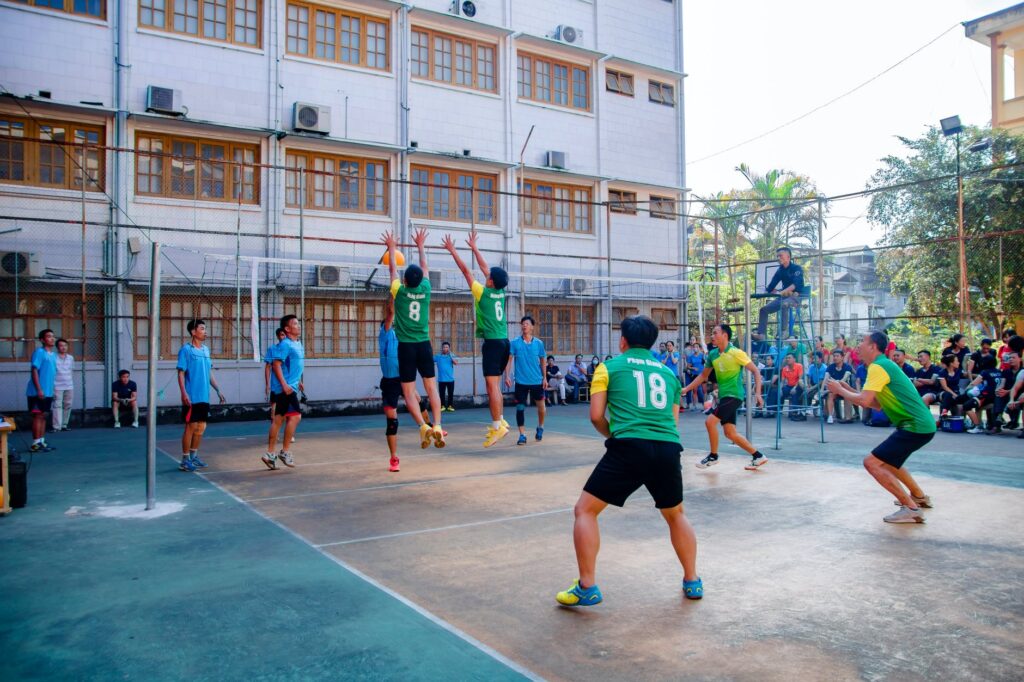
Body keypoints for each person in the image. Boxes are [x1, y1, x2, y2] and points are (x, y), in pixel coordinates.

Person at [555, 315, 701, 606]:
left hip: (629, 446)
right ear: (652, 343)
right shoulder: (669, 374)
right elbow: (672, 421)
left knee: (585, 511)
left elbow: (596, 415)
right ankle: (692, 580)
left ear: (623, 341)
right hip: (668, 447)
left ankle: (588, 585)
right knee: (676, 514)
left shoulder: (608, 368)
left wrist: (614, 434)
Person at [825, 331, 936, 524]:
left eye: (862, 342)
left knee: (872, 463)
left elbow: (865, 401)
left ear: (873, 347)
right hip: (918, 425)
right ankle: (918, 496)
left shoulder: (878, 367)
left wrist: (840, 390)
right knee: (890, 461)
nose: (858, 346)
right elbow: (875, 404)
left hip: (914, 425)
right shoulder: (882, 366)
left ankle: (911, 508)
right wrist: (849, 390)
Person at [442, 230, 510, 446]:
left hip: (492, 344)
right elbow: (485, 269)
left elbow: (465, 270)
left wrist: (453, 250)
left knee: (491, 387)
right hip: (504, 342)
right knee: (495, 386)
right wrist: (474, 247)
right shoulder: (499, 292)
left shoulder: (483, 293)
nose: (486, 276)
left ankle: (497, 427)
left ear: (490, 282)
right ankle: (501, 421)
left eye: (488, 277)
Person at [383, 228, 445, 448]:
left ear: (406, 281)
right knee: (431, 388)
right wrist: (420, 245)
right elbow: (425, 267)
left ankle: (423, 426)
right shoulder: (426, 289)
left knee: (408, 391)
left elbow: (392, 269)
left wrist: (391, 247)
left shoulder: (399, 291)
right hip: (424, 345)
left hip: (406, 347)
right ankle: (437, 424)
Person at [683, 323, 767, 470]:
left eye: (715, 333)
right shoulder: (713, 355)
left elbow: (756, 371)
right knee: (730, 433)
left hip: (734, 395)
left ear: (725, 335)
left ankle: (713, 456)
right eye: (712, 333)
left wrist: (758, 394)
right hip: (724, 397)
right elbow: (703, 375)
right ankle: (758, 456)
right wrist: (686, 389)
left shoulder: (736, 353)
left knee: (710, 422)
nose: (712, 336)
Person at [176, 319, 227, 472]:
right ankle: (185, 460)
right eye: (202, 328)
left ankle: (193, 457)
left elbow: (208, 372)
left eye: (205, 329)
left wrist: (218, 389)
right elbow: (181, 373)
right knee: (191, 427)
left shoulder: (205, 350)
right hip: (192, 396)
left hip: (205, 396)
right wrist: (184, 393)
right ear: (193, 332)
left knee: (201, 427)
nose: (205, 331)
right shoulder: (186, 350)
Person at [263, 314, 304, 470]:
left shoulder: (298, 344)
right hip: (286, 389)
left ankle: (269, 454)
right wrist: (284, 384)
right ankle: (285, 451)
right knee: (296, 417)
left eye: (298, 323)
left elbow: (294, 366)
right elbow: (276, 365)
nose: (298, 326)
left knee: (278, 420)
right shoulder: (285, 344)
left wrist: (299, 380)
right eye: (295, 324)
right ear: (287, 329)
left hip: (291, 386)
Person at [506, 316, 548, 445]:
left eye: (527, 324)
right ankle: (522, 435)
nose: (524, 326)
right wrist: (507, 376)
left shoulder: (539, 343)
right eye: (523, 324)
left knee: (541, 408)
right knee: (520, 408)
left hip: (537, 381)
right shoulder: (515, 343)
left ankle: (540, 427)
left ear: (532, 327)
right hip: (521, 382)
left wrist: (545, 378)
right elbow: (509, 360)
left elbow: (542, 361)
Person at [754, 246, 804, 340]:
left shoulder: (797, 268)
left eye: (780, 256)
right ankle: (761, 334)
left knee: (784, 304)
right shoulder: (780, 270)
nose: (778, 258)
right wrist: (765, 291)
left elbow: (795, 285)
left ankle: (784, 332)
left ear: (788, 257)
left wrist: (782, 292)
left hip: (796, 297)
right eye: (777, 256)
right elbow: (772, 285)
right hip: (783, 297)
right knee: (763, 310)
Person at [26, 328, 58, 452]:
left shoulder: (54, 355)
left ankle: (41, 441)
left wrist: (52, 390)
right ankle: (35, 443)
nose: (52, 338)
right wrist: (39, 389)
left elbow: (51, 374)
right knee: (37, 416)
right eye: (49, 336)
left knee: (44, 416)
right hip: (36, 392)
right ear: (42, 340)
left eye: (53, 336)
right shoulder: (39, 352)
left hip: (48, 392)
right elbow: (34, 370)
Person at [961, 355, 1000, 434]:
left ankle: (977, 426)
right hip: (997, 396)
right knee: (979, 406)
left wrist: (966, 390)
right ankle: (980, 424)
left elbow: (974, 383)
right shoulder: (999, 371)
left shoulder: (985, 372)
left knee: (966, 406)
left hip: (987, 396)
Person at [992, 351, 1022, 433]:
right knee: (998, 395)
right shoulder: (1006, 371)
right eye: (1009, 358)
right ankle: (997, 421)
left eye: (1013, 358)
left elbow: (1019, 388)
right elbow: (1002, 383)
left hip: (1019, 394)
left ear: (1020, 359)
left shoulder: (1022, 371)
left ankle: (1012, 421)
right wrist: (999, 389)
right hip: (1007, 393)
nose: (1011, 360)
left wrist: (1007, 392)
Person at [825, 350, 854, 423]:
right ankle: (830, 417)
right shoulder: (830, 367)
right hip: (834, 389)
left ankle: (848, 417)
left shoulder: (847, 366)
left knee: (847, 395)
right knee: (830, 395)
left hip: (844, 388)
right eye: (834, 356)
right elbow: (826, 378)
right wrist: (823, 389)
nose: (835, 358)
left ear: (842, 357)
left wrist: (835, 381)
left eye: (837, 356)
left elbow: (843, 380)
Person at [52, 338, 74, 432]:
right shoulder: (53, 357)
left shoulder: (71, 358)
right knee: (57, 405)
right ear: (57, 347)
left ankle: (64, 424)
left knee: (68, 405)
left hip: (69, 385)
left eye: (65, 345)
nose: (63, 347)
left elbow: (71, 370)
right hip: (57, 385)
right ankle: (57, 426)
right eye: (61, 345)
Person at [776, 353, 805, 419]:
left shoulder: (799, 366)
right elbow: (782, 381)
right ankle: (778, 409)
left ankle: (794, 411)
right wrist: (780, 389)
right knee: (780, 391)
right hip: (789, 386)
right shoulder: (784, 369)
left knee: (795, 392)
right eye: (787, 358)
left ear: (794, 359)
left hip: (798, 385)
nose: (787, 359)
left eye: (789, 358)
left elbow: (800, 378)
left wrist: (794, 388)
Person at [434, 341, 458, 412]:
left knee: (450, 394)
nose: (445, 348)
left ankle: (450, 406)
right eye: (444, 347)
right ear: (442, 348)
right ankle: (442, 406)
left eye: (447, 347)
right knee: (442, 394)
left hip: (450, 379)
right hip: (441, 380)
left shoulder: (452, 355)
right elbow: (429, 360)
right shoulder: (438, 356)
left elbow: (456, 363)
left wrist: (450, 355)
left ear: (449, 348)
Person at [264, 327, 286, 402]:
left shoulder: (291, 349)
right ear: (277, 336)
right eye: (281, 335)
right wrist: (267, 385)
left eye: (284, 335)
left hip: (289, 384)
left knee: (288, 410)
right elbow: (268, 367)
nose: (283, 337)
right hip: (275, 385)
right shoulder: (272, 349)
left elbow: (294, 367)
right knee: (274, 409)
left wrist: (299, 381)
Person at [684, 343, 705, 412]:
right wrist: (693, 368)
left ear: (699, 348)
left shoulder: (702, 355)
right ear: (693, 348)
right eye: (694, 347)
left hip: (702, 375)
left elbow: (707, 363)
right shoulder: (691, 356)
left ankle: (704, 405)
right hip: (694, 375)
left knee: (703, 390)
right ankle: (694, 405)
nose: (695, 348)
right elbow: (688, 366)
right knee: (695, 390)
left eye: (697, 347)